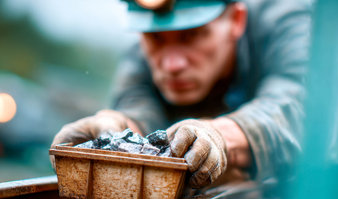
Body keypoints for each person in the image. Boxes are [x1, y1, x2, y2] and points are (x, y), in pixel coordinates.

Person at [52, 0, 310, 188]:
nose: (172, 65)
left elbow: (300, 102)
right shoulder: (141, 52)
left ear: (236, 20)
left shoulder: (289, 21)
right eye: (155, 37)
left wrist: (220, 136)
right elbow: (139, 105)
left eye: (193, 35)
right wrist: (113, 130)